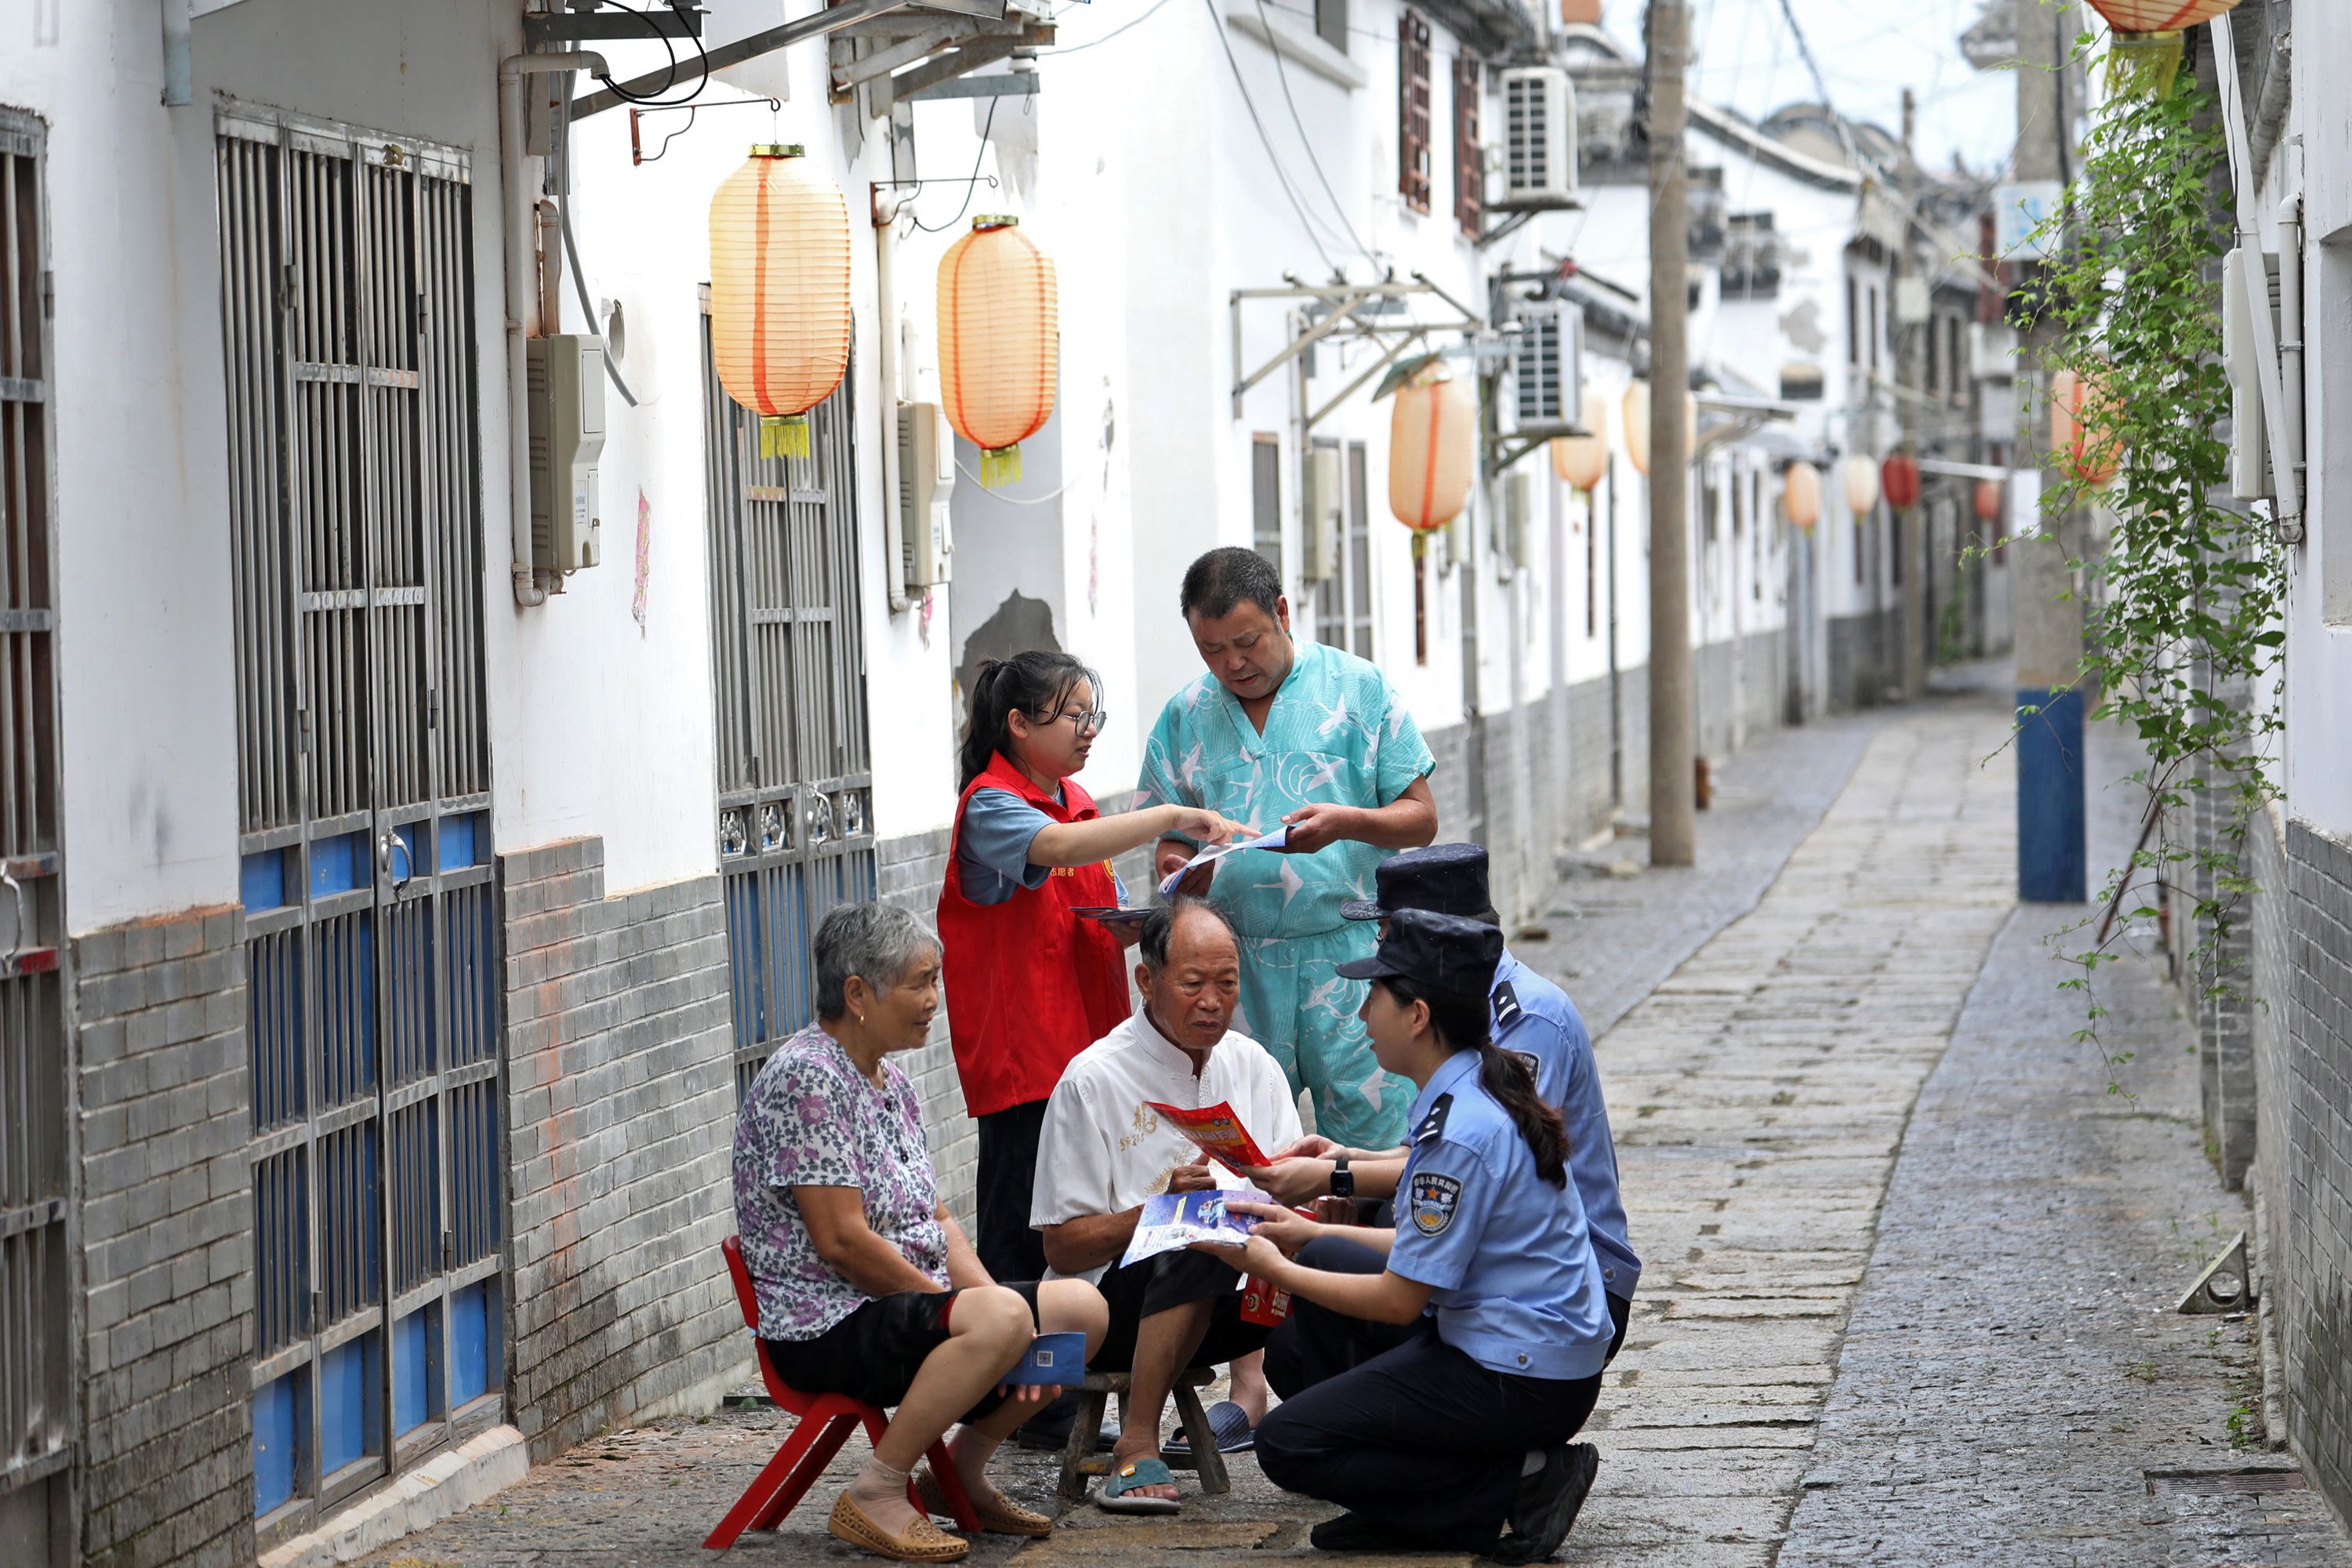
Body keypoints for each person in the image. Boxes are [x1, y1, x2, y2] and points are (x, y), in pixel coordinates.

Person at [1205, 909, 1613, 1561]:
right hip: (1525, 1347)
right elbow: (1435, 1251)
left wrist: (1270, 1265)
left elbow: (1400, 1299)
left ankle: (1522, 1482)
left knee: (1287, 1443)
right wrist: (1302, 1235)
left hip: (1521, 1375)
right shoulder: (1471, 1084)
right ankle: (1403, 1506)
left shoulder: (1460, 1129)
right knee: (1330, 1252)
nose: (1362, 1014)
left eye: (1374, 997)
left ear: (1418, 1015)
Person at [733, 903, 1110, 1563]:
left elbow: (936, 1219)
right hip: (828, 1323)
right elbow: (843, 1244)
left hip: (900, 1306)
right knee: (1001, 1321)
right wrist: (966, 1314)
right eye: (921, 982)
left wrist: (994, 1306)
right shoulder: (808, 1079)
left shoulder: (893, 1082)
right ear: (858, 994)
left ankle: (961, 1469)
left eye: (936, 980)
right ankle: (876, 1490)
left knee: (1080, 1311)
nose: (936, 999)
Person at [1239, 841, 1640, 1385]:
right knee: (1306, 1325)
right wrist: (1346, 1158)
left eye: (1389, 938)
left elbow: (1477, 1162)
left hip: (1560, 1282)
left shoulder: (1524, 1017)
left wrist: (1334, 1176)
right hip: (1495, 1251)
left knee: (1337, 1268)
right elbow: (1430, 1152)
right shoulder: (1458, 1005)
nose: (1383, 954)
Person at [938, 649, 1242, 1287]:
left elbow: (1089, 910)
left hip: (1092, 1052)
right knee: (1026, 1241)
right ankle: (1014, 1349)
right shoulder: (990, 804)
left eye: (1093, 715)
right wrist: (1170, 816)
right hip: (1029, 1066)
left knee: (1098, 1221)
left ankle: (1092, 1342)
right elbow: (1056, 849)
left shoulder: (1075, 799)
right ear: (1020, 724)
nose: (1090, 730)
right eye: (1074, 716)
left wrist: (1141, 919)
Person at [1135, 546, 1439, 1157]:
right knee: (1244, 1152)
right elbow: (1170, 830)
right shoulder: (1185, 715)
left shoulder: (1359, 689)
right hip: (1237, 969)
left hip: (1353, 961)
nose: (1232, 664)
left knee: (1375, 1146)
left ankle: (1368, 1226)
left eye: (1246, 642)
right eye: (1211, 650)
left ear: (1281, 612)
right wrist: (1176, 866)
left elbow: (1422, 819)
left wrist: (1347, 823)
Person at [1029, 899, 1304, 1512]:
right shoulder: (1092, 1079)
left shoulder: (1254, 1066)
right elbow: (1063, 1248)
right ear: (1147, 980)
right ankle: (1135, 1443)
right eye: (1194, 983)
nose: (1213, 1002)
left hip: (1234, 1300)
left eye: (1227, 983)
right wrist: (1158, 1212)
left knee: (1335, 1248)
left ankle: (1340, 1431)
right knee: (1196, 1233)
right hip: (1110, 1314)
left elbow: (1294, 1191)